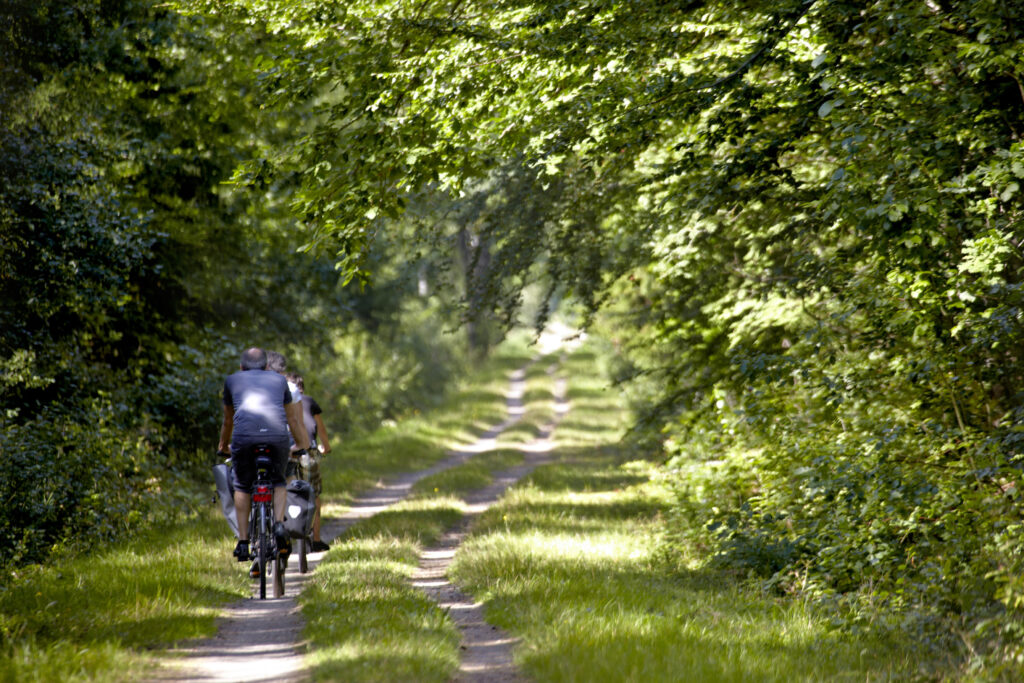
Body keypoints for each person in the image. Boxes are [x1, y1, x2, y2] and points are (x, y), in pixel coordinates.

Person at [217, 347, 311, 563]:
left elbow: (228, 421)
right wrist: (300, 444)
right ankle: (278, 525)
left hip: (244, 439)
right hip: (277, 438)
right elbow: (293, 420)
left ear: (241, 367)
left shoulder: (232, 381)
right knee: (278, 482)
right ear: (267, 366)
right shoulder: (279, 381)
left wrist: (223, 446)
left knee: (241, 484)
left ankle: (242, 542)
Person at [286, 372, 332, 552]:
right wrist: (326, 447)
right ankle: (317, 539)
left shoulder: (279, 400)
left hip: (286, 450)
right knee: (313, 493)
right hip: (308, 452)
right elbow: (320, 429)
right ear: (302, 388)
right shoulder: (309, 401)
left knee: (284, 489)